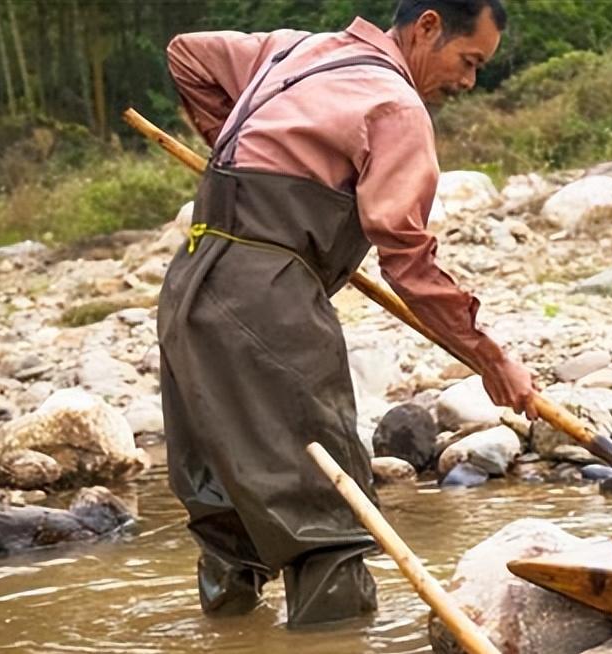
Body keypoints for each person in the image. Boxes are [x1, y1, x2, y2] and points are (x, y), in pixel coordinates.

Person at [158, 0, 534, 628]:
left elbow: (187, 53)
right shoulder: (396, 106)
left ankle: (230, 632)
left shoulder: (292, 49)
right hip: (267, 303)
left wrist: (243, 155)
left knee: (223, 506)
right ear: (428, 26)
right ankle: (338, 638)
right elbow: (408, 259)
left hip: (190, 284)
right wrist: (491, 357)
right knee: (327, 515)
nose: (469, 82)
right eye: (469, 62)